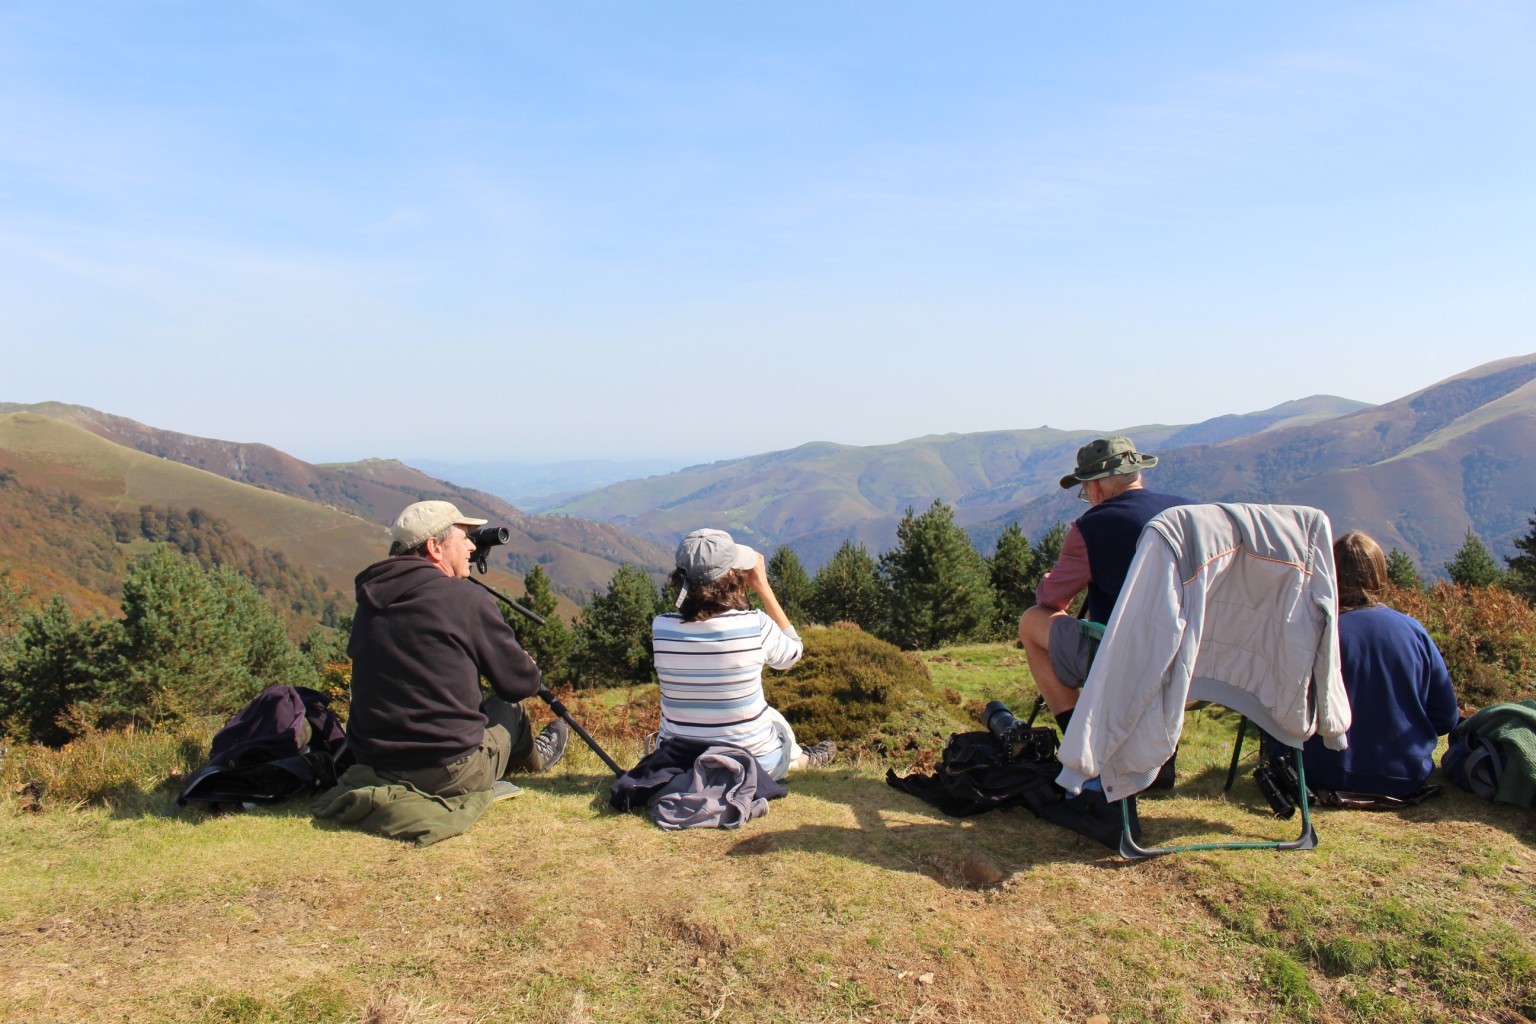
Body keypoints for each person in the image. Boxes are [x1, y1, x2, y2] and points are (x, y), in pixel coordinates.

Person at [346, 499, 568, 802]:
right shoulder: (464, 599)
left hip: (372, 763)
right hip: (447, 772)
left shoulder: (370, 600)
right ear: (435, 548)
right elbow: (518, 685)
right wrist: (526, 666)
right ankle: (536, 761)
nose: (473, 547)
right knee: (511, 709)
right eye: (464, 537)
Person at [1018, 437, 1191, 733]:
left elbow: (1052, 599)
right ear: (1139, 475)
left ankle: (1077, 736)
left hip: (1132, 657)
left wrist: (1057, 576)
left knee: (1032, 621)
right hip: (1200, 654)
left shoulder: (1093, 526)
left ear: (1095, 488)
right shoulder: (1191, 512)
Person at [651, 528, 836, 779]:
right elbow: (792, 655)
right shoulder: (755, 624)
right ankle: (801, 760)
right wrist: (763, 587)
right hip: (754, 766)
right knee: (773, 719)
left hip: (678, 763)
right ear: (730, 575)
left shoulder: (661, 627)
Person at [1301, 531, 1459, 798]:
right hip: (1401, 775)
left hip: (1317, 772)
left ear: (1330, 574)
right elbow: (1446, 718)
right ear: (1379, 576)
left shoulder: (1311, 633)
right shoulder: (1412, 632)